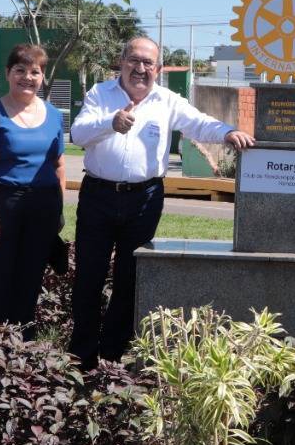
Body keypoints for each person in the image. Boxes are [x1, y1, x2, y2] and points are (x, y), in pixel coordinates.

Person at [69, 36, 254, 369]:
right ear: (121, 62)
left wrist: (228, 132)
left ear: (159, 68)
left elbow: (198, 123)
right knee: (88, 277)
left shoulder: (167, 100)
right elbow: (78, 134)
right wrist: (110, 122)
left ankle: (111, 358)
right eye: (134, 60)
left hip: (144, 199)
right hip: (98, 196)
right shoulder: (100, 94)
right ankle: (81, 358)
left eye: (147, 63)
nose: (140, 68)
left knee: (130, 279)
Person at [0, 43, 66, 337]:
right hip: (2, 207)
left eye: (35, 72)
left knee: (29, 282)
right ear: (8, 73)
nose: (27, 77)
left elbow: (59, 165)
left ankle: (24, 350)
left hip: (41, 209)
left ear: (43, 77)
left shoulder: (54, 115)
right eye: (20, 70)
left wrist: (58, 211)